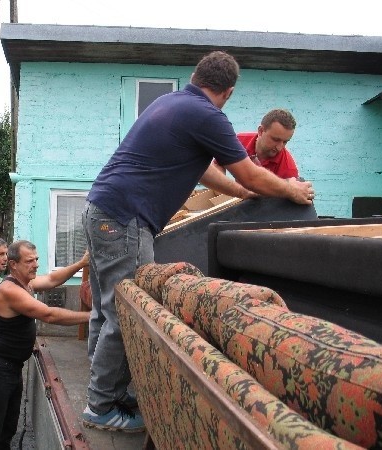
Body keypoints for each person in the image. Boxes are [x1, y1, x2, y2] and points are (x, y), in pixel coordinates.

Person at [81, 51, 315, 432]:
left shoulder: (171, 102)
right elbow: (254, 175)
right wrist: (287, 189)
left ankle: (105, 390)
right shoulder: (208, 116)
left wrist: (241, 192)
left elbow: (205, 171)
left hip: (103, 208)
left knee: (107, 311)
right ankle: (100, 405)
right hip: (125, 218)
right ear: (229, 92)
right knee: (127, 312)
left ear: (195, 75)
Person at [0, 240, 91, 449]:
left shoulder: (26, 283)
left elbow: (51, 279)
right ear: (13, 264)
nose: (36, 264)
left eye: (37, 259)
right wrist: (92, 316)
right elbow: (48, 314)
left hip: (10, 370)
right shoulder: (9, 289)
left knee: (7, 431)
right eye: (30, 261)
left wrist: (81, 263)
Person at [217, 108, 300, 178]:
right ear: (261, 131)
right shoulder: (238, 141)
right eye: (275, 139)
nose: (279, 147)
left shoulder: (289, 171)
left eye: (285, 142)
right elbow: (218, 164)